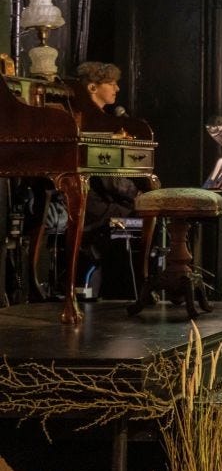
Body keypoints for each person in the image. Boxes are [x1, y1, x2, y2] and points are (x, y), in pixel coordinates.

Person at [75, 62, 141, 298]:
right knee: (139, 222)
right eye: (111, 84)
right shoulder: (93, 122)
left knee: (136, 217)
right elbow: (109, 178)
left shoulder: (101, 119)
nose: (117, 89)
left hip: (102, 202)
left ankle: (125, 287)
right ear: (92, 87)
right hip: (93, 207)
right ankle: (124, 290)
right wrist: (137, 196)